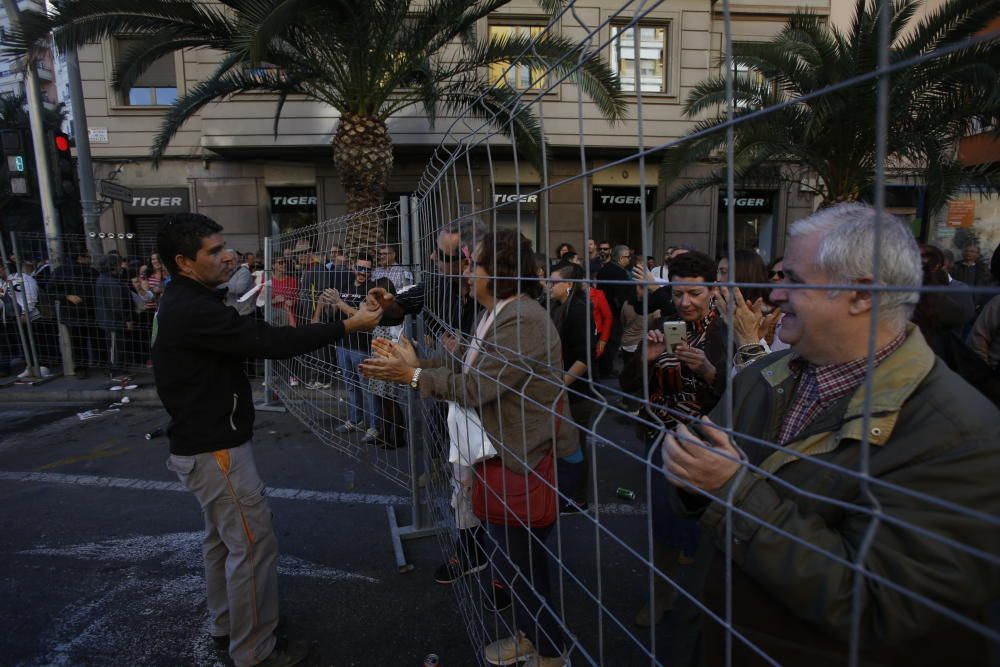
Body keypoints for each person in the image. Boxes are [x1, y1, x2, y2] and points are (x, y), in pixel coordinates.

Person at [662, 203, 1000, 666]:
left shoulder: (962, 436)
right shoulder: (763, 375)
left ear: (860, 295)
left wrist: (734, 492)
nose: (774, 294)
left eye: (794, 281)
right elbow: (703, 481)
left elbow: (879, 607)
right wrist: (694, 480)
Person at [152, 213, 382, 667]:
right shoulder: (192, 308)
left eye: (225, 246)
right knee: (252, 546)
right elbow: (269, 342)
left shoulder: (189, 298)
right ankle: (255, 649)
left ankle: (228, 625)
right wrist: (347, 327)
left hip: (204, 444)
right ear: (183, 262)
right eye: (213, 252)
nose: (227, 256)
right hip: (215, 449)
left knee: (223, 542)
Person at [360, 229, 578, 667]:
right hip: (502, 453)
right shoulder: (497, 313)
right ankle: (532, 636)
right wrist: (416, 361)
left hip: (526, 456)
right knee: (516, 564)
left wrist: (414, 378)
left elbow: (479, 385)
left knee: (525, 567)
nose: (464, 272)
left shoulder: (524, 320)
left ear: (495, 273)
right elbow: (467, 363)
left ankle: (552, 652)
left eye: (471, 264)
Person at [620, 251, 731, 628]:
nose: (685, 302)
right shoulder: (663, 324)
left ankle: (708, 607)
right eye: (679, 294)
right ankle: (663, 597)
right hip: (661, 440)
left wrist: (710, 371)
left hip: (714, 447)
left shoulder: (728, 333)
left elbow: (739, 397)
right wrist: (645, 358)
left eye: (695, 294)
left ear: (713, 292)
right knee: (665, 528)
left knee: (710, 531)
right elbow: (627, 386)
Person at [548, 262, 601, 512]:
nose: (549, 285)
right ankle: (567, 493)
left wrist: (560, 385)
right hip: (567, 390)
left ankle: (577, 499)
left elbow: (584, 358)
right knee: (567, 444)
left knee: (574, 445)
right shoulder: (559, 308)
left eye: (554, 281)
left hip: (578, 393)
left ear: (569, 285)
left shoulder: (578, 311)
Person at [50, 249, 100, 378]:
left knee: (97, 340)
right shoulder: (61, 271)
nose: (90, 259)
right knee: (79, 342)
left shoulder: (91, 271)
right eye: (87, 256)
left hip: (91, 311)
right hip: (73, 312)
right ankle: (81, 367)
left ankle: (100, 363)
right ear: (80, 257)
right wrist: (66, 296)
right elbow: (51, 290)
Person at [595, 245, 633, 377]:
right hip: (613, 313)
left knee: (604, 339)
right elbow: (621, 296)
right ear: (621, 258)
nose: (629, 259)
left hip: (602, 310)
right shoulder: (620, 273)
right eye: (628, 257)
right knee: (612, 341)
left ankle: (603, 368)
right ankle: (606, 370)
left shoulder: (604, 269)